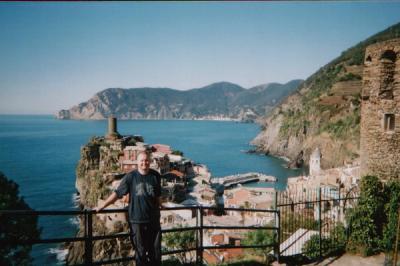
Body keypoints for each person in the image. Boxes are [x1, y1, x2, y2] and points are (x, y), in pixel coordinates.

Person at [95, 151, 162, 266]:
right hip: (137, 221)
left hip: (153, 221)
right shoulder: (131, 177)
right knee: (140, 253)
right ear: (137, 163)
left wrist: (161, 206)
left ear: (149, 161)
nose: (144, 163)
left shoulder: (155, 176)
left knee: (155, 253)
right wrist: (103, 205)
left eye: (146, 160)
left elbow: (158, 196)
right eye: (142, 161)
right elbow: (117, 193)